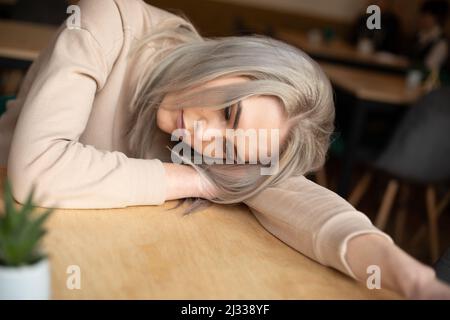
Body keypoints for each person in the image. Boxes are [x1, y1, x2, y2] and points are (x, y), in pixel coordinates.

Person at [0, 0, 449, 299]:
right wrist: (192, 178)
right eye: (229, 112)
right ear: (236, 62)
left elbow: (304, 204)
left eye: (233, 151)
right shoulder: (110, 17)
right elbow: (35, 168)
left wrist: (412, 278)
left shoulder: (216, 153)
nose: (202, 140)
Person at [409, 0, 449, 72]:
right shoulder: (419, 35)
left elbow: (429, 68)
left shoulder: (441, 42)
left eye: (427, 16)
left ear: (438, 19)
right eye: (422, 15)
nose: (422, 19)